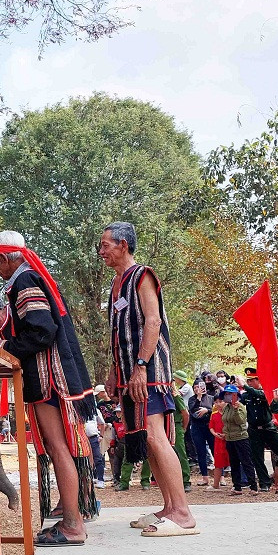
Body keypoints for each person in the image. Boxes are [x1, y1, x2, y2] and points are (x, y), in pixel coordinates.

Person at [0, 229, 98, 546]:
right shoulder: (29, 278)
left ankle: (72, 525)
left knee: (58, 447)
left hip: (48, 378)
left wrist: (8, 349)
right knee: (62, 447)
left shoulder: (24, 282)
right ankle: (73, 515)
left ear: (3, 258)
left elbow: (42, 330)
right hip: (53, 376)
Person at [99, 221, 197, 536]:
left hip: (150, 372)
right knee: (146, 439)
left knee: (156, 436)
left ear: (123, 245)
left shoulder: (143, 275)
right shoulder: (116, 285)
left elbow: (152, 321)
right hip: (129, 374)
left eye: (105, 245)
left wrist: (141, 365)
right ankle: (168, 507)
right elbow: (118, 333)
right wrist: (116, 369)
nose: (101, 251)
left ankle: (182, 514)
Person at [239, 368, 278, 492]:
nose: (250, 383)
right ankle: (264, 483)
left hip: (268, 428)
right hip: (254, 429)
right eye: (248, 381)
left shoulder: (264, 392)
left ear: (259, 380)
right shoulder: (246, 395)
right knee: (257, 457)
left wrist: (245, 386)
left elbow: (262, 396)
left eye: (252, 380)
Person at [219, 385, 258, 495]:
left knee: (246, 462)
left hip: (241, 438)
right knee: (234, 463)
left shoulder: (240, 407)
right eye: (226, 394)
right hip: (229, 439)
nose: (228, 396)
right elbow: (225, 421)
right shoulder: (226, 407)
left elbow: (240, 421)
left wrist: (236, 410)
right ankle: (237, 486)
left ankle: (253, 486)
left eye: (230, 394)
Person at [187, 379, 214, 485]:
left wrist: (207, 410)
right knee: (201, 452)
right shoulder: (192, 399)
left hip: (210, 427)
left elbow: (218, 409)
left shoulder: (211, 398)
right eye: (195, 387)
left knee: (215, 450)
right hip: (197, 428)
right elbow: (193, 411)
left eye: (200, 386)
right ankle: (205, 477)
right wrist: (198, 398)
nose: (197, 389)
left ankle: (220, 477)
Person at [209, 393, 230, 490]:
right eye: (216, 402)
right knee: (218, 463)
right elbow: (211, 427)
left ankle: (237, 484)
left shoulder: (230, 413)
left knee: (233, 461)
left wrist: (226, 434)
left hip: (229, 440)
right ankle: (215, 484)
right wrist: (214, 434)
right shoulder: (214, 415)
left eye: (220, 401)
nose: (218, 404)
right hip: (218, 441)